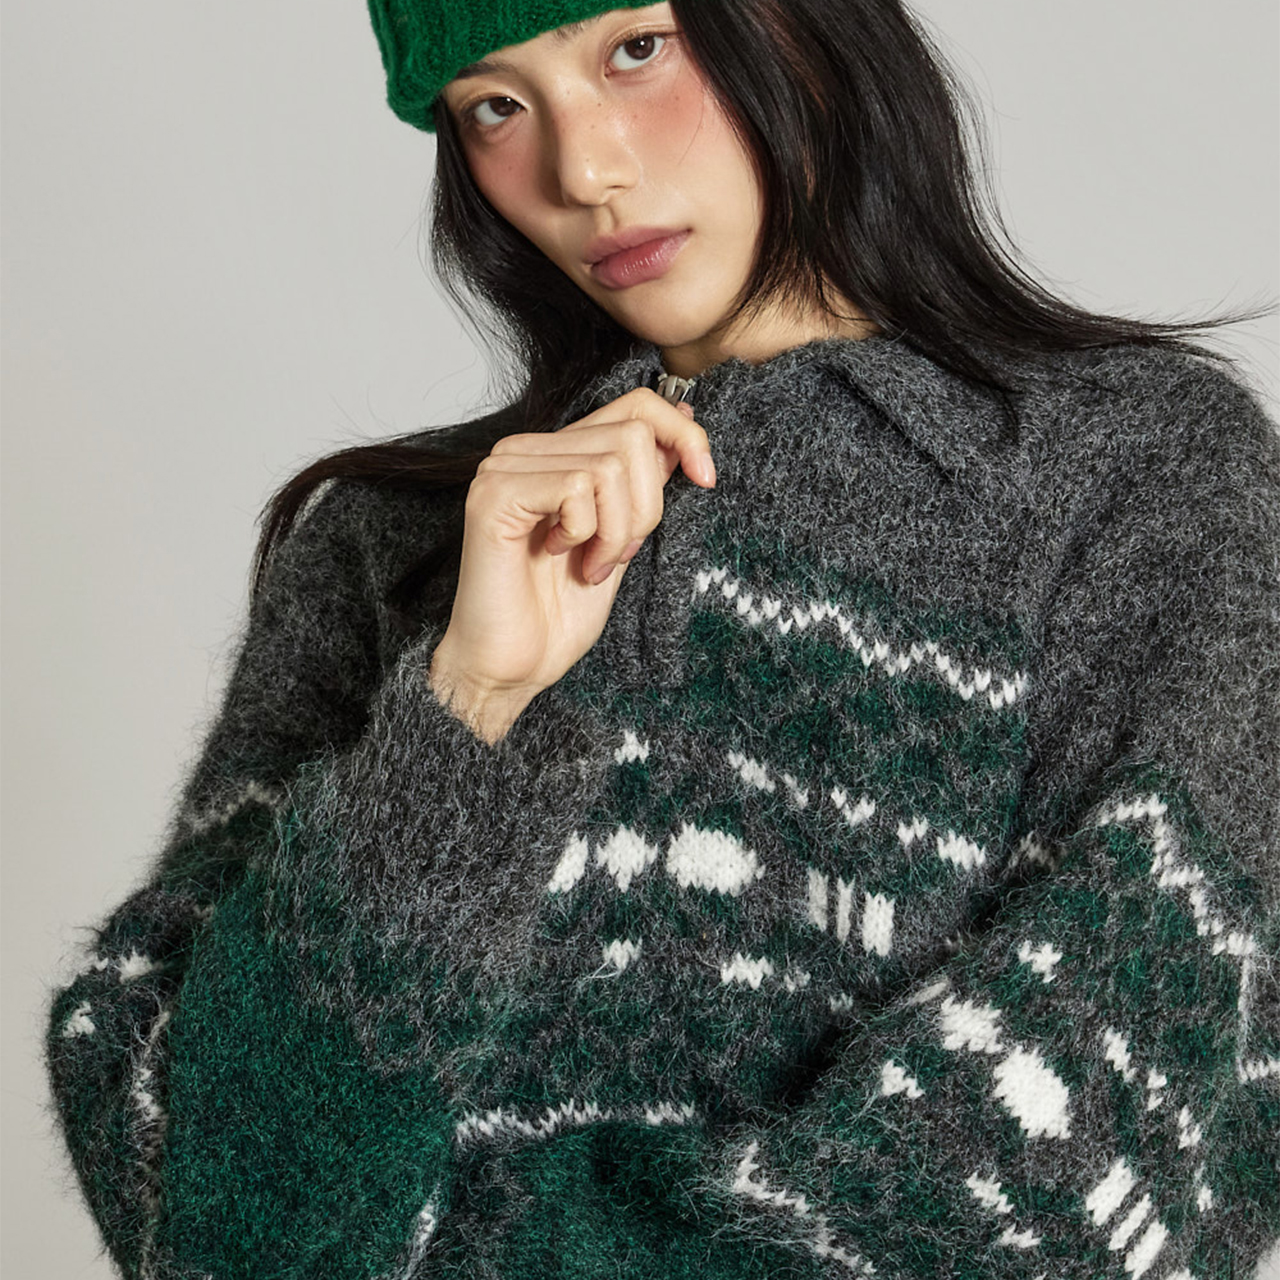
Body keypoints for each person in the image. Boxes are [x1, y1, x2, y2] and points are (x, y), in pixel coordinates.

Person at [43, 2, 1279, 1277]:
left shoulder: (1138, 476)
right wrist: (462, 710)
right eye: (495, 106)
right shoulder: (389, 542)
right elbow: (205, 1211)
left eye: (636, 49)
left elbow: (1074, 1175)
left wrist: (425, 1246)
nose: (582, 171)